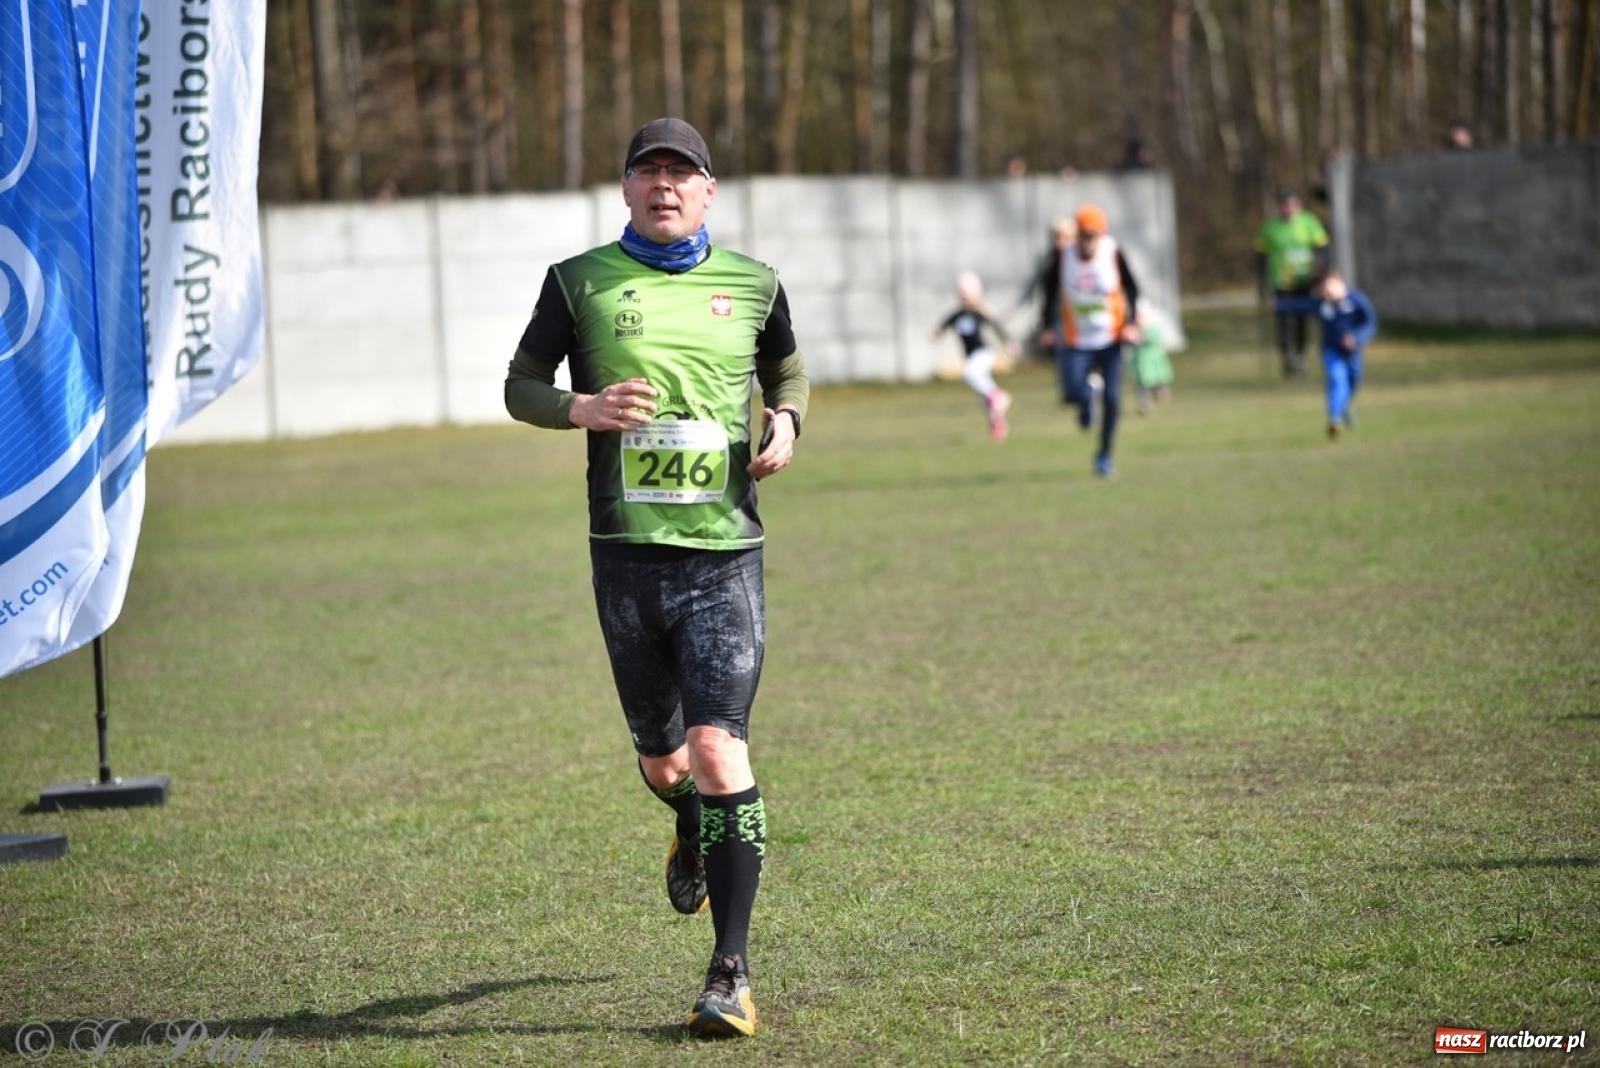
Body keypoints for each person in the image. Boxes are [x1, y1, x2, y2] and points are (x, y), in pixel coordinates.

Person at [504, 117, 809, 1039]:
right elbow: (519, 383)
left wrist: (787, 421)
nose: (666, 187)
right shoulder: (577, 282)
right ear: (627, 188)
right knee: (666, 760)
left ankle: (731, 972)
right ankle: (683, 815)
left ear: (709, 191)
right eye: (650, 173)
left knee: (722, 751)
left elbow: (784, 367)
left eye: (684, 174)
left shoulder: (754, 285)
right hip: (625, 556)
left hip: (725, 556)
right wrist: (581, 407)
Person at [1057, 203, 1140, 478]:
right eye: (1084, 234)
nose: (1088, 240)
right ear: (1077, 233)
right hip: (1076, 339)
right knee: (1070, 392)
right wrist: (1046, 326)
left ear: (1102, 235)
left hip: (1111, 337)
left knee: (1114, 400)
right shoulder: (1063, 256)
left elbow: (1133, 288)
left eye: (1094, 235)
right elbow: (1047, 289)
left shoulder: (1112, 253)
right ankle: (1087, 397)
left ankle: (1104, 456)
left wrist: (1130, 323)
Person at [931, 271, 1017, 441]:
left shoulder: (980, 313)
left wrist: (1008, 343)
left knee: (970, 374)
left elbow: (996, 326)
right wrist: (937, 333)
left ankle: (997, 394)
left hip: (984, 354)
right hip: (971, 357)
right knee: (985, 401)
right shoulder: (958, 315)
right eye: (962, 294)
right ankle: (998, 425)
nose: (965, 298)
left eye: (968, 294)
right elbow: (945, 323)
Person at [1255, 187, 1330, 378]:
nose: (1286, 208)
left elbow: (1322, 249)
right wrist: (1262, 287)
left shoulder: (1309, 222)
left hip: (1305, 281)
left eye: (1290, 204)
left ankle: (1301, 356)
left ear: (1297, 204)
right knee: (1284, 323)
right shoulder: (1270, 227)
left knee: (1301, 322)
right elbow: (1260, 257)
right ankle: (1288, 359)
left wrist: (1320, 275)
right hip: (1281, 283)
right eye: (1283, 205)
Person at [1314, 269, 1377, 441]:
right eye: (1323, 291)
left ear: (1339, 283)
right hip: (1331, 351)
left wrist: (1355, 338)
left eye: (1329, 289)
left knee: (1353, 381)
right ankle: (1335, 419)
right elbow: (1300, 305)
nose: (1326, 294)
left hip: (1353, 352)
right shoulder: (1322, 304)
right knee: (1336, 379)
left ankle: (1346, 406)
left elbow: (1370, 324)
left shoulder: (1357, 300)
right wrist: (1280, 306)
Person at [1011, 217, 1075, 363]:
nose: (1061, 242)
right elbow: (1036, 286)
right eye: (1057, 237)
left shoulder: (1079, 261)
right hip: (1057, 316)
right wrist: (1019, 306)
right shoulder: (1048, 261)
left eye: (1066, 237)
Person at [1129, 305, 1173, 415]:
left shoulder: (1151, 330)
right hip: (1140, 366)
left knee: (1158, 383)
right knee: (1142, 388)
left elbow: (1152, 340)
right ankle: (1144, 406)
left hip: (1153, 365)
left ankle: (1160, 393)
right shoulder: (1133, 330)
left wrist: (1141, 336)